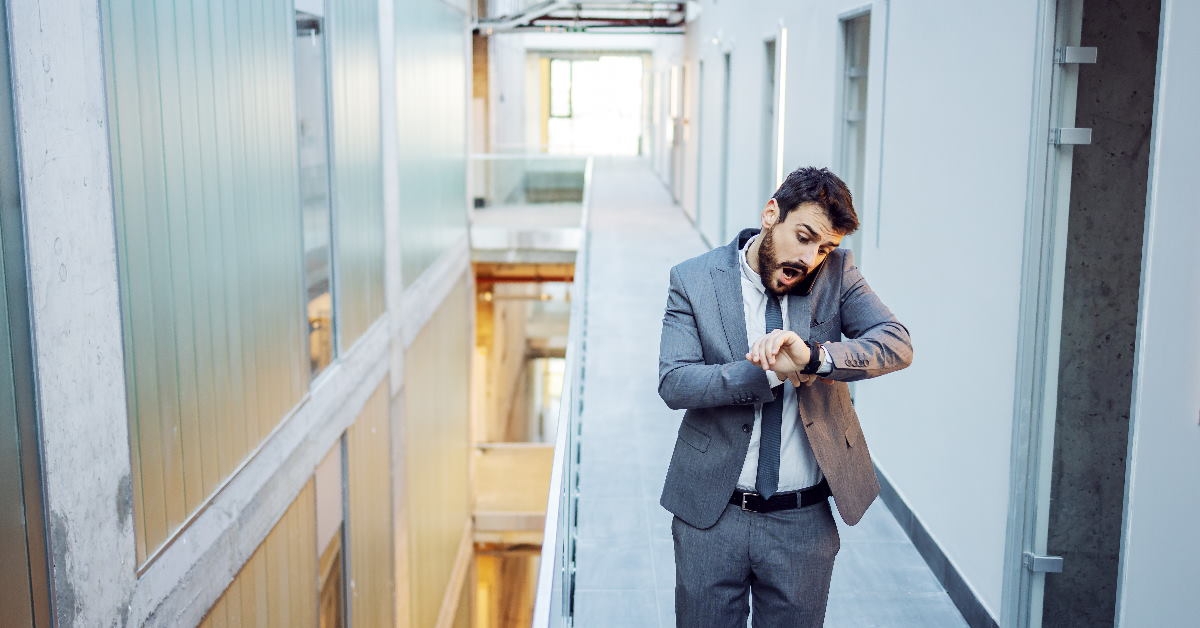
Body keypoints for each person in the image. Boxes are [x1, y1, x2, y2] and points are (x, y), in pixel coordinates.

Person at [657, 166, 913, 627]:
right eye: (805, 236)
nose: (812, 257)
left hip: (802, 522)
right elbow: (675, 382)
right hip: (711, 516)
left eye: (825, 247)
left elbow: (895, 343)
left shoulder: (837, 274)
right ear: (771, 213)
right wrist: (765, 375)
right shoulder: (693, 280)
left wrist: (814, 358)